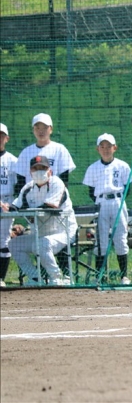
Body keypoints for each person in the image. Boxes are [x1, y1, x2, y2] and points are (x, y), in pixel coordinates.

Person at [1, 155, 77, 286]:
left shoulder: (56, 183)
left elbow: (49, 207)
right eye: (35, 168)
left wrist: (28, 212)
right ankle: (36, 277)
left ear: (50, 171)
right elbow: (16, 206)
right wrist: (6, 207)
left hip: (64, 232)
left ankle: (56, 277)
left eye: (43, 168)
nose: (39, 171)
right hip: (41, 234)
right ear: (30, 172)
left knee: (42, 245)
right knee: (14, 244)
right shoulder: (28, 188)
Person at [82, 133, 131, 285]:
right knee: (101, 241)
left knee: (120, 239)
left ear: (114, 148)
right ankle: (100, 276)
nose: (105, 149)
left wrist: (119, 200)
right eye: (102, 146)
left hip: (118, 201)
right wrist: (100, 201)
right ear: (98, 149)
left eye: (109, 146)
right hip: (101, 203)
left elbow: (128, 187)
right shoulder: (93, 168)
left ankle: (124, 276)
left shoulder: (122, 166)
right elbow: (91, 191)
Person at [15, 113, 76, 193]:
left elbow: (64, 179)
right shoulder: (26, 152)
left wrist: (60, 197)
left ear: (51, 129)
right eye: (37, 128)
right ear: (33, 130)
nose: (41, 131)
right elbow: (21, 181)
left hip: (53, 195)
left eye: (44, 128)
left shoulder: (60, 149)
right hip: (31, 197)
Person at [0, 123, 18, 287]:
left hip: (6, 202)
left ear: (7, 138)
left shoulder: (12, 160)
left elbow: (19, 185)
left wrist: (13, 204)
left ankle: (1, 278)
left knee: (4, 239)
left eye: (1, 135)